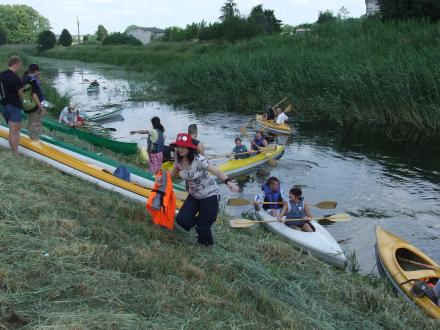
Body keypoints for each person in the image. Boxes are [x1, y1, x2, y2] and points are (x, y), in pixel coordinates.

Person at [169, 133, 239, 246]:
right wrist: (161, 178)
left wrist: (228, 182)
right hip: (194, 195)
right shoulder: (178, 158)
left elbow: (216, 171)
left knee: (203, 228)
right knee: (182, 220)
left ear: (189, 147)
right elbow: (173, 172)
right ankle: (202, 224)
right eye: (179, 146)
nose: (181, 149)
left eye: (184, 147)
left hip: (209, 195)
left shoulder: (199, 159)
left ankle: (206, 245)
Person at [0, 56, 23, 156]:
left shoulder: (1, 74)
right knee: (15, 131)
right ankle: (15, 154)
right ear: (16, 64)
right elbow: (21, 94)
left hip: (4, 106)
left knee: (11, 130)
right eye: (19, 66)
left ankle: (14, 152)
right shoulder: (15, 77)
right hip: (14, 106)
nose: (19, 68)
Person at [22, 63, 45, 141]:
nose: (39, 72)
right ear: (36, 71)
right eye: (38, 71)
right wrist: (41, 108)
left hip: (27, 104)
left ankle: (30, 139)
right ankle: (35, 142)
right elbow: (35, 95)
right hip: (35, 105)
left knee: (31, 121)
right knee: (36, 123)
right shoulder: (32, 81)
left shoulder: (25, 77)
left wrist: (38, 81)